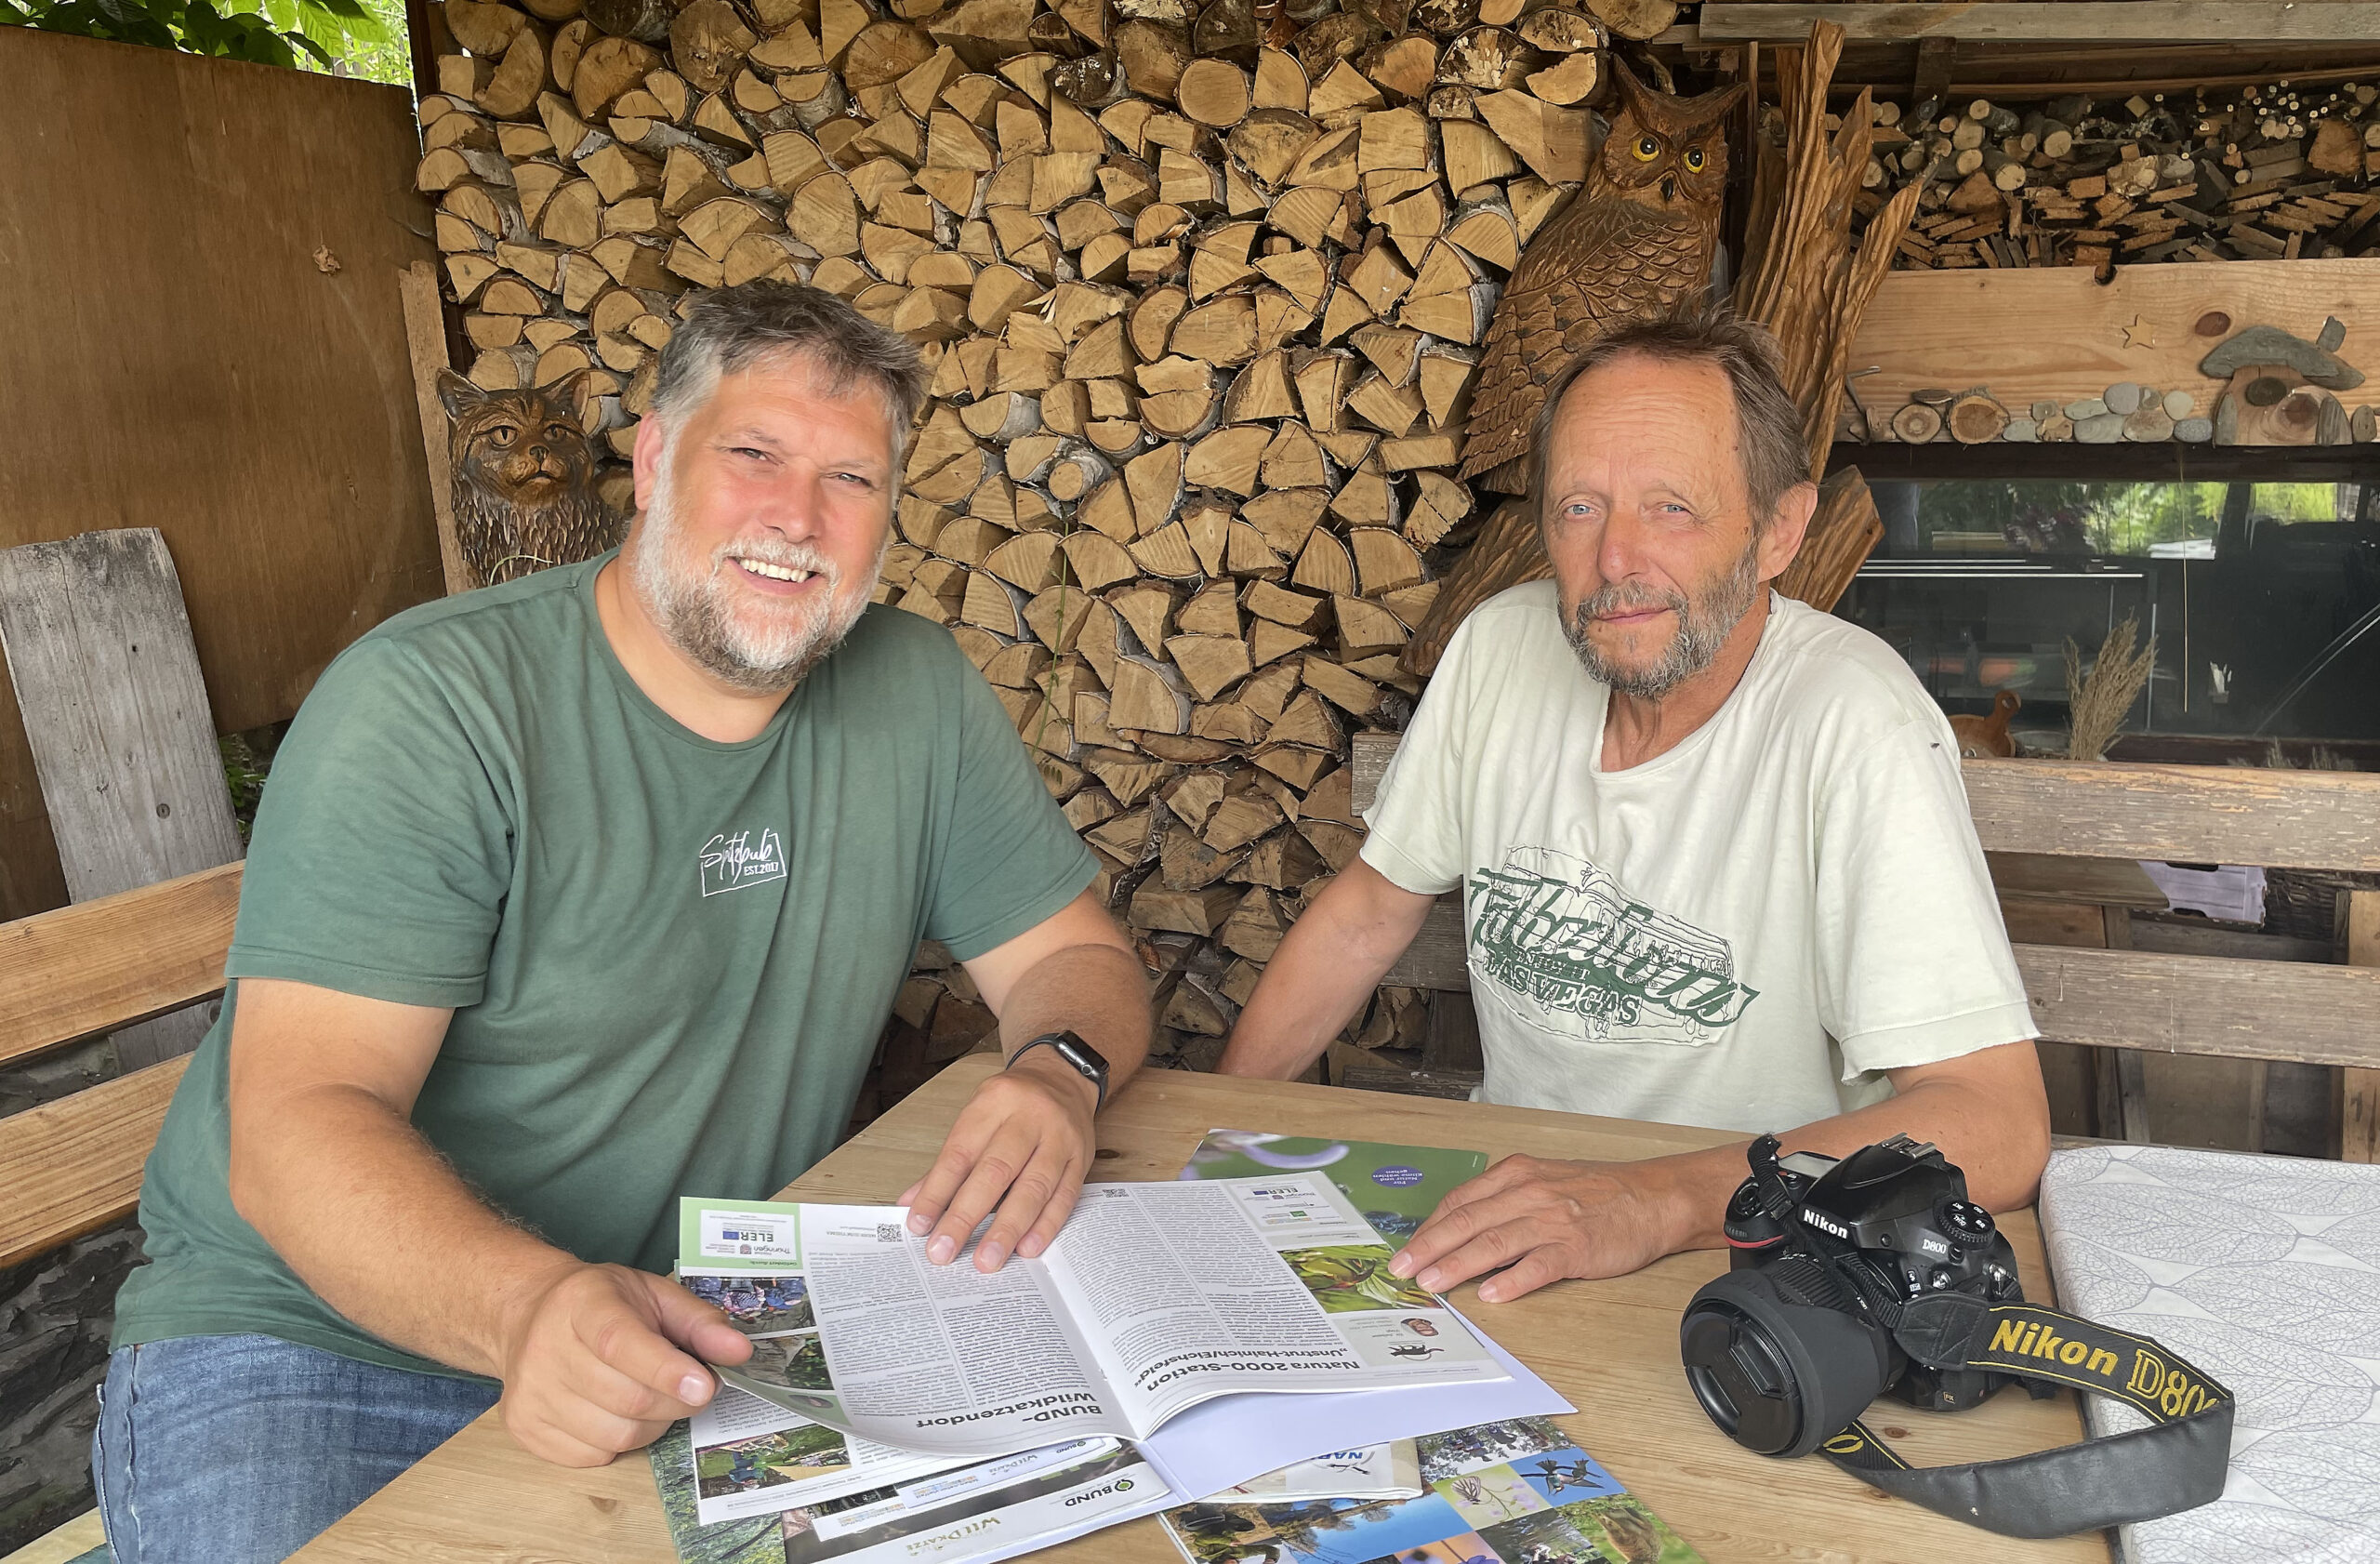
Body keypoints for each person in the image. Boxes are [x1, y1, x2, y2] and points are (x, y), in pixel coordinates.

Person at [93, 282, 1151, 1564]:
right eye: (751, 454)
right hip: (310, 1335)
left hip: (689, 1331)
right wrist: (530, 1304)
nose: (796, 518)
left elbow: (1074, 959)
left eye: (852, 480)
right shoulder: (431, 704)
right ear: (653, 461)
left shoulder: (916, 693)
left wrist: (1061, 1070)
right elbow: (296, 1121)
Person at [1219, 306, 2048, 1304]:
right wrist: (1214, 1127)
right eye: (1579, 507)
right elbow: (1364, 918)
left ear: (1779, 529)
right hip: (1511, 1225)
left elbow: (1996, 1121)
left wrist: (1654, 1202)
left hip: (1754, 1260)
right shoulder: (1497, 651)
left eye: (1671, 508)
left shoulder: (1854, 721)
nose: (1615, 559)